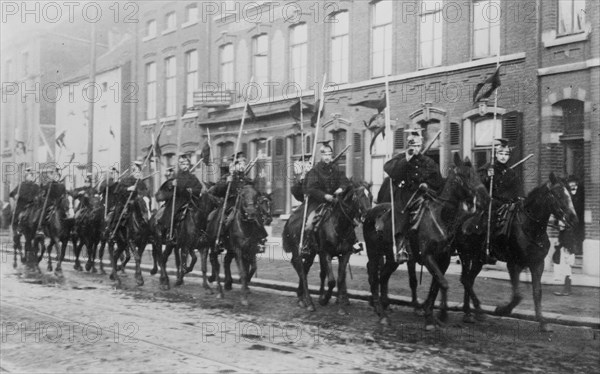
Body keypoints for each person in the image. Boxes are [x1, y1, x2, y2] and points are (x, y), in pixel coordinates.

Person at [383, 129, 443, 263]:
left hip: (424, 195)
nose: (415, 148)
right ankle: (401, 247)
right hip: (405, 195)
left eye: (417, 146)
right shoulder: (401, 158)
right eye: (412, 146)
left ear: (421, 146)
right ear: (407, 146)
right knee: (403, 215)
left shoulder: (427, 161)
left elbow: (437, 180)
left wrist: (427, 185)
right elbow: (389, 169)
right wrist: (407, 159)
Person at [302, 141, 362, 255]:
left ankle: (353, 242)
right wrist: (325, 196)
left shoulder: (336, 169)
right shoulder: (315, 170)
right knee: (310, 223)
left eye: (329, 154)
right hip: (317, 203)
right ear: (321, 155)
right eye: (325, 154)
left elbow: (345, 182)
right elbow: (311, 188)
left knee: (349, 218)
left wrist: (341, 189)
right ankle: (306, 245)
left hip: (334, 201)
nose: (327, 157)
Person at [478, 138, 522, 264]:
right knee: (490, 221)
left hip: (508, 204)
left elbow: (517, 189)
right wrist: (487, 177)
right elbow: (480, 185)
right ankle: (486, 249)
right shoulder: (488, 168)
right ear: (496, 154)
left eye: (506, 154)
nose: (503, 157)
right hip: (492, 203)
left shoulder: (511, 172)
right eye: (501, 154)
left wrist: (519, 198)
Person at [160, 154, 203, 241]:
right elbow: (166, 186)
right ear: (179, 165)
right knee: (173, 212)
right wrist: (172, 184)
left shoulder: (192, 177)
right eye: (183, 164)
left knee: (201, 212)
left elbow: (199, 188)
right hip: (178, 199)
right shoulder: (175, 176)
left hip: (190, 199)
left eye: (187, 164)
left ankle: (201, 233)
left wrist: (191, 190)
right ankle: (169, 232)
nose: (185, 166)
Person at [553, 175, 584, 296]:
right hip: (566, 234)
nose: (572, 184)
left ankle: (567, 288)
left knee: (567, 260)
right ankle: (566, 287)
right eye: (570, 183)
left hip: (573, 233)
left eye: (573, 182)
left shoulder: (580, 196)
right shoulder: (566, 199)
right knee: (564, 260)